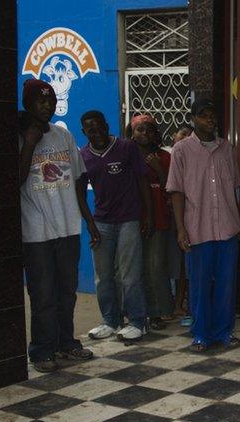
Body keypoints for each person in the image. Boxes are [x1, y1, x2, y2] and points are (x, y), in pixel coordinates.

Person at [18, 78, 94, 373]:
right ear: (28, 104)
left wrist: (86, 220)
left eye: (50, 100)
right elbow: (15, 180)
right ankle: (41, 350)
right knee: (43, 295)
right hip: (36, 231)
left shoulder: (63, 135)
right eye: (41, 101)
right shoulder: (18, 137)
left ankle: (66, 343)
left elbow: (78, 179)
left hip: (68, 228)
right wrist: (30, 142)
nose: (47, 106)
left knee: (66, 292)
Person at [166, 99, 240, 352]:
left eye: (213, 114)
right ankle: (201, 334)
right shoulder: (181, 150)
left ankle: (224, 332)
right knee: (199, 284)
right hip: (197, 228)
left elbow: (234, 187)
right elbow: (176, 191)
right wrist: (181, 229)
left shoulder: (226, 148)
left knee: (226, 283)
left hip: (227, 227)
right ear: (193, 119)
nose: (210, 119)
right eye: (203, 115)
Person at [79, 111, 152, 342]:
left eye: (100, 127)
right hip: (101, 222)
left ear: (107, 125)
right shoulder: (83, 156)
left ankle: (138, 322)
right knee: (103, 277)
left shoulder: (126, 147)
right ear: (84, 132)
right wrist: (90, 224)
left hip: (129, 219)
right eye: (91, 129)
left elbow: (142, 181)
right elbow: (79, 194)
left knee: (130, 275)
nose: (97, 132)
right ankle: (111, 321)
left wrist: (147, 215)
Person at [128, 114, 175, 330]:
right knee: (135, 268)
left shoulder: (164, 157)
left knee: (155, 266)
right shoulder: (127, 155)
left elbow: (172, 188)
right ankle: (136, 311)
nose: (144, 133)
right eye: (140, 129)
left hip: (159, 218)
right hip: (132, 218)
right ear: (132, 132)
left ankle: (158, 312)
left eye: (149, 129)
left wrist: (158, 169)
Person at [168, 123, 194, 327]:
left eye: (189, 135)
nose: (185, 138)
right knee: (174, 266)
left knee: (188, 267)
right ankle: (173, 304)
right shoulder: (166, 157)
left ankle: (186, 306)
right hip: (169, 221)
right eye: (182, 134)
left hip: (190, 220)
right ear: (173, 136)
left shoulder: (193, 158)